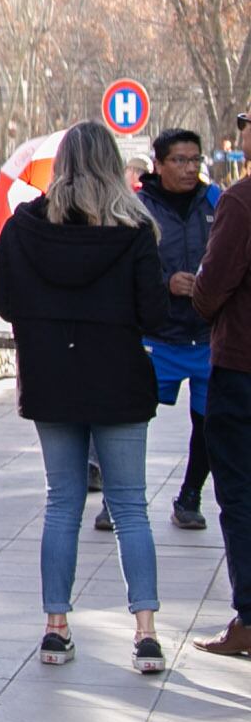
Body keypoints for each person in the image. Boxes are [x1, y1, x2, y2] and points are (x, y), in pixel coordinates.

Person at [0, 122, 170, 674]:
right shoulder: (135, 229)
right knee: (131, 506)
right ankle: (144, 634)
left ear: (62, 164)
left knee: (63, 502)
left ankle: (55, 628)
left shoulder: (24, 225)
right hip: (117, 376)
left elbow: (4, 301)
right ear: (114, 163)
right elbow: (155, 315)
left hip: (51, 379)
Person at [180, 152, 251, 659]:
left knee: (242, 497)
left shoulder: (242, 202)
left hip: (243, 368)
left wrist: (199, 288)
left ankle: (249, 619)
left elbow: (208, 293)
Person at [131, 130, 219, 531]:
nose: (189, 169)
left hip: (206, 335)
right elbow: (127, 268)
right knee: (130, 419)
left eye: (195, 160)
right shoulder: (138, 208)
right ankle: (122, 498)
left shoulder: (216, 202)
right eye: (180, 161)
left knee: (209, 424)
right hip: (156, 336)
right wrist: (166, 282)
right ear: (159, 164)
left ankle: (190, 496)